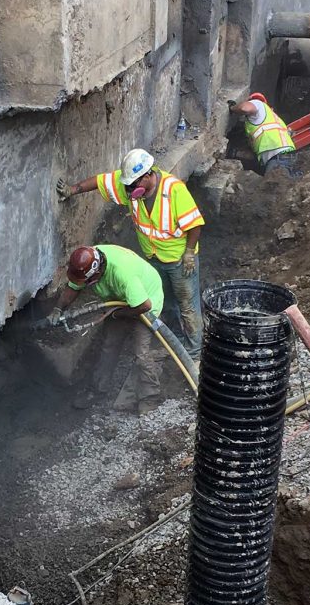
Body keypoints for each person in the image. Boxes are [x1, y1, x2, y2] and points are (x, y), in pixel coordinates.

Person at [55, 149, 204, 357]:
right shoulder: (130, 185)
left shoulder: (173, 191)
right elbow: (101, 182)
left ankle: (194, 352)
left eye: (134, 186)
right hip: (154, 257)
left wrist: (189, 252)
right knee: (167, 301)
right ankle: (176, 340)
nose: (129, 190)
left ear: (147, 175)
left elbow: (194, 224)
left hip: (179, 259)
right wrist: (73, 189)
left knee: (187, 304)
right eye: (128, 185)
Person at [48, 244, 165, 412]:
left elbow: (144, 305)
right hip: (121, 299)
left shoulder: (123, 274)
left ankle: (149, 398)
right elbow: (73, 287)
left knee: (141, 354)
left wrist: (119, 314)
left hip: (146, 301)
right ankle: (98, 390)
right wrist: (58, 309)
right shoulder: (87, 261)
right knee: (109, 345)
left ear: (96, 273)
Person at [228, 92, 296, 175]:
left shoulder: (258, 104)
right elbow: (256, 155)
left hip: (278, 159)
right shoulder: (273, 121)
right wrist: (237, 154)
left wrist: (232, 107)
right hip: (287, 157)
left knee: (272, 185)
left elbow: (244, 108)